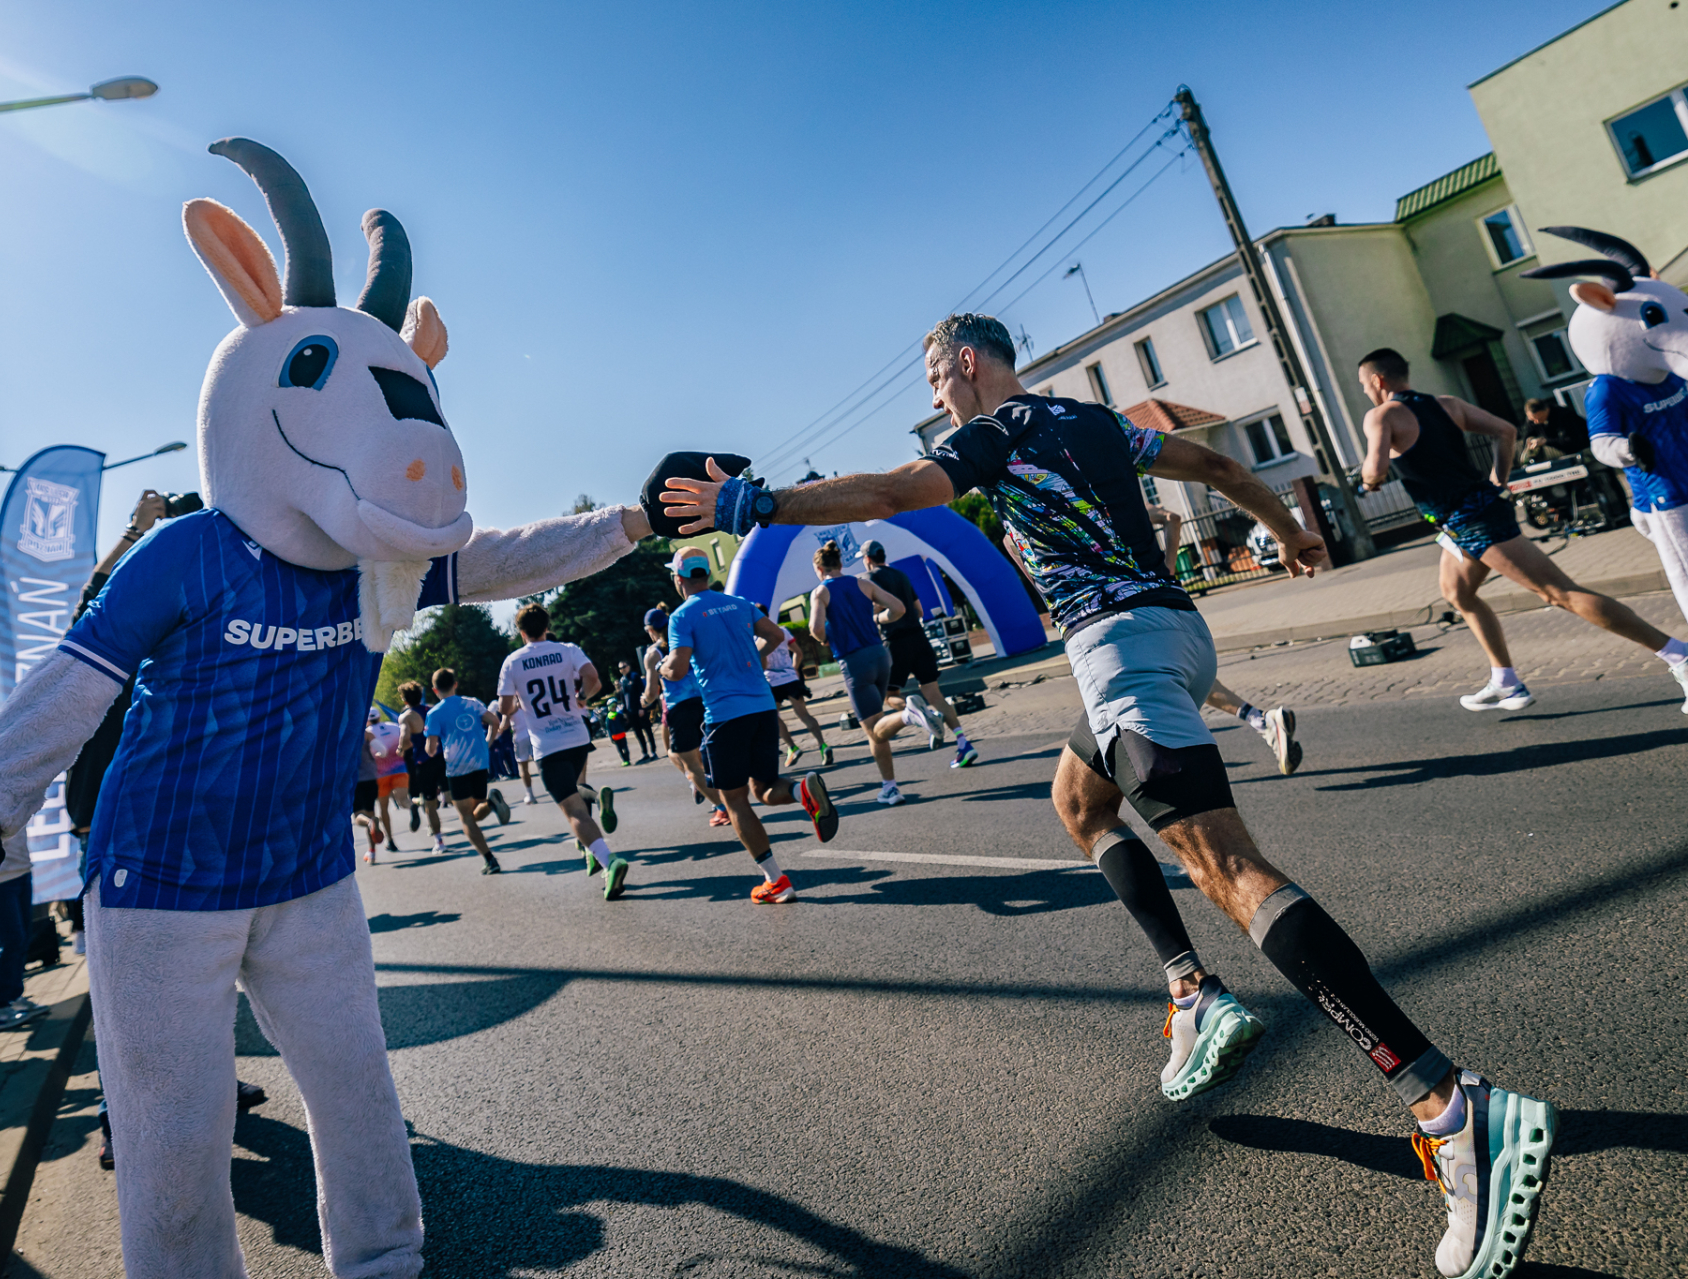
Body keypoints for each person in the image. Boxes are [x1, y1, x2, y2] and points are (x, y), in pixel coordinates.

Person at [663, 313, 1559, 1279]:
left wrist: (756, 502)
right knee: (1080, 804)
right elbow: (1216, 467)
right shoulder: (1096, 423)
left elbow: (894, 491)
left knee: (1227, 868)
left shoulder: (992, 430)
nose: (931, 396)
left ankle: (1450, 1104)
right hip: (1177, 631)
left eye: (932, 375)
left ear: (967, 363)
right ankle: (1190, 989)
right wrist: (1289, 528)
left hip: (1122, 648)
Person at [1358, 347, 1688, 712]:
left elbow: (1374, 470)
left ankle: (1679, 656)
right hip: (1464, 520)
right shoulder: (1446, 404)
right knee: (1458, 593)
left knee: (1559, 593)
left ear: (1378, 380)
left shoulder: (1381, 416)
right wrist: (1497, 480)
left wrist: (1369, 480)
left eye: (1364, 385)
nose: (1366, 392)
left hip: (1474, 522)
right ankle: (1506, 682)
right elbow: (1505, 430)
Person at [661, 548, 838, 902]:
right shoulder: (738, 603)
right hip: (761, 706)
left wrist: (662, 667)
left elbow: (678, 670)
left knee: (735, 801)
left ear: (679, 578)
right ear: (706, 574)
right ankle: (802, 791)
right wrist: (752, 660)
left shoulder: (682, 616)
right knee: (764, 787)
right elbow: (775, 637)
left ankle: (776, 880)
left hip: (725, 716)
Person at [1146, 504, 1301, 775]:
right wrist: (1167, 572)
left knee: (1161, 685)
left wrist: (1167, 571)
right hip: (1161, 602)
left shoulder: (1104, 506)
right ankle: (1262, 722)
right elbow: (1172, 518)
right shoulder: (1116, 501)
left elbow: (1173, 517)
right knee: (1189, 677)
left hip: (1144, 610)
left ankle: (1180, 770)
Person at [497, 603, 627, 899]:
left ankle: (610, 861)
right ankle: (597, 799)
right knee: (575, 788)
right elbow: (594, 678)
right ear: (546, 625)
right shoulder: (568, 649)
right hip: (577, 736)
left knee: (572, 809)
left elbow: (505, 708)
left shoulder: (513, 661)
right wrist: (581, 698)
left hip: (548, 744)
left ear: (520, 631)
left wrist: (518, 701)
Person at [807, 542, 911, 805]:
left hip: (855, 663)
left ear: (819, 569)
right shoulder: (863, 584)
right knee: (876, 727)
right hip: (880, 655)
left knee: (874, 728)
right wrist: (878, 620)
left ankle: (909, 715)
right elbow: (899, 608)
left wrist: (825, 637)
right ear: (840, 565)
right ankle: (890, 787)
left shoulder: (820, 592)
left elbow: (816, 628)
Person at [860, 539, 979, 768]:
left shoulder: (868, 579)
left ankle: (923, 717)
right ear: (883, 555)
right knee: (933, 693)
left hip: (895, 642)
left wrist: (876, 619)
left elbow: (871, 612)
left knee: (890, 694)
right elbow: (920, 610)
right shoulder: (902, 575)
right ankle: (964, 743)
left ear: (867, 559)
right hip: (920, 638)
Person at [419, 668, 511, 874]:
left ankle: (490, 860)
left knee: (466, 818)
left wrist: (429, 748)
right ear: (455, 684)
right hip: (480, 761)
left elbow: (431, 749)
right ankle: (492, 803)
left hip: (457, 767)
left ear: (435, 690)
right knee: (475, 812)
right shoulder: (472, 702)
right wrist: (488, 741)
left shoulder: (434, 713)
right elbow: (495, 721)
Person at [643, 606, 727, 824]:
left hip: (680, 708)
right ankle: (725, 796)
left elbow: (652, 693)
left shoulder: (654, 654)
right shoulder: (687, 641)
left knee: (686, 761)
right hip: (705, 699)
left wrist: (643, 701)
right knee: (710, 752)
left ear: (651, 630)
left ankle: (721, 807)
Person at [757, 608, 831, 768]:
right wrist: (794, 668)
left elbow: (762, 663)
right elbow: (798, 652)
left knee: (772, 717)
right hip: (790, 678)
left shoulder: (757, 638)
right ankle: (823, 745)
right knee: (804, 715)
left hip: (772, 682)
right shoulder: (782, 631)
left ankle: (792, 747)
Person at [398, 683, 449, 853]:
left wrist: (400, 749)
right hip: (443, 757)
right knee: (453, 796)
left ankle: (439, 842)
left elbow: (405, 739)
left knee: (430, 804)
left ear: (404, 699)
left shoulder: (407, 716)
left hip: (424, 762)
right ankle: (484, 806)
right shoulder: (433, 709)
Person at [370, 709, 409, 853]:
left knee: (383, 808)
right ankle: (413, 807)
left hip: (380, 774)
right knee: (404, 800)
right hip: (400, 769)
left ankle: (390, 840)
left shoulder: (367, 732)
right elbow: (406, 739)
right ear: (379, 717)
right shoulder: (393, 726)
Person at [353, 712, 383, 861]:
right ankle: (372, 851)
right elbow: (382, 751)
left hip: (353, 779)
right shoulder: (366, 734)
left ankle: (370, 822)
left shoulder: (341, 735)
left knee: (359, 815)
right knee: (370, 811)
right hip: (370, 776)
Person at [1520, 396, 1589, 458]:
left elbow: (1572, 440)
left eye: (1540, 418)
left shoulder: (1565, 416)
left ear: (1547, 410)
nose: (1536, 422)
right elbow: (1527, 433)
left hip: (1583, 448)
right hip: (1562, 451)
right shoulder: (1532, 421)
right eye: (1532, 419)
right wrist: (1529, 440)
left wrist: (1546, 441)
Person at [616, 659, 656, 761]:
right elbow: (623, 697)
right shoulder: (622, 680)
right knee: (638, 733)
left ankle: (653, 751)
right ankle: (645, 752)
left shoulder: (634, 676)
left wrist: (642, 707)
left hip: (639, 709)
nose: (622, 670)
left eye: (624, 667)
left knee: (647, 730)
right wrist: (625, 712)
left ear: (628, 666)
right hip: (630, 711)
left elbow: (640, 692)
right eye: (620, 668)